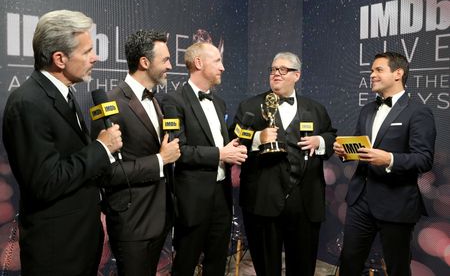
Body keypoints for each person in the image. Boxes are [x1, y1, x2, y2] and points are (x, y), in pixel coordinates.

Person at [2, 10, 123, 276]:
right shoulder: (27, 103)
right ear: (60, 58)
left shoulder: (65, 95)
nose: (96, 58)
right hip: (56, 253)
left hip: (80, 245)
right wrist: (101, 148)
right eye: (88, 51)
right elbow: (45, 182)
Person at [230, 52, 337, 276]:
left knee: (303, 267)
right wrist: (259, 137)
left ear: (297, 75)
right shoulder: (250, 106)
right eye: (273, 69)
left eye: (283, 69)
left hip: (305, 202)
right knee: (266, 268)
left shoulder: (315, 109)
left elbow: (331, 137)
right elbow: (234, 140)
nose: (276, 74)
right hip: (263, 201)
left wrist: (320, 141)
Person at [334, 52, 436, 276]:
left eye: (378, 70)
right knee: (349, 263)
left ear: (398, 73)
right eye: (371, 70)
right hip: (359, 201)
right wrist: (344, 152)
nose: (372, 75)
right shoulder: (367, 110)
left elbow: (424, 159)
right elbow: (361, 148)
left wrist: (389, 159)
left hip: (396, 203)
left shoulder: (419, 112)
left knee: (397, 267)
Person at [91, 30, 180, 276]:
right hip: (132, 222)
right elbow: (105, 174)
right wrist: (160, 160)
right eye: (165, 60)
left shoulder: (158, 101)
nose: (171, 66)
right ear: (144, 62)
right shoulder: (110, 104)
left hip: (160, 219)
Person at [161, 42, 247, 276]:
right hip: (193, 201)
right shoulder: (174, 101)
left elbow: (222, 145)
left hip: (222, 195)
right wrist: (221, 153)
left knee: (217, 262)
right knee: (185, 264)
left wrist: (235, 150)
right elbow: (178, 151)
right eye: (217, 61)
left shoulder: (219, 103)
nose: (223, 67)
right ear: (198, 63)